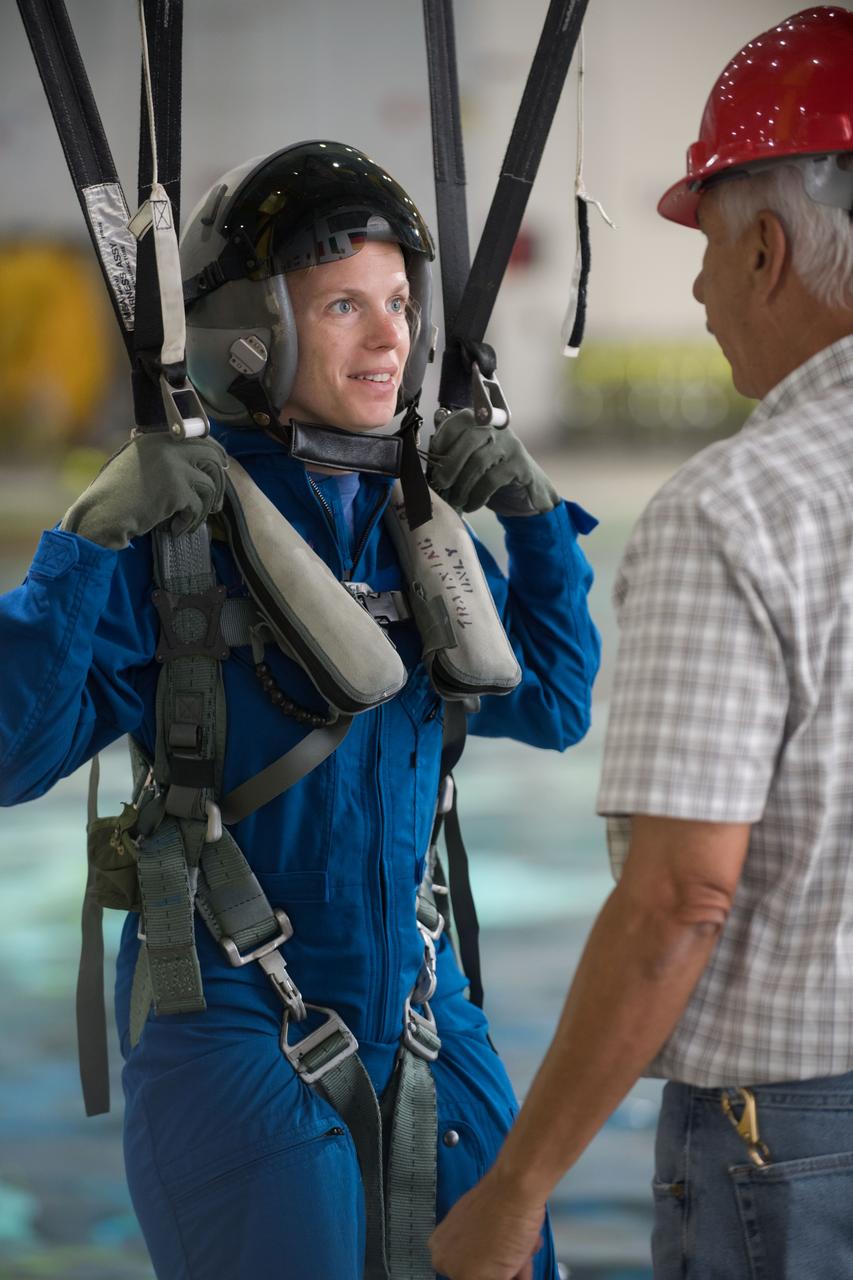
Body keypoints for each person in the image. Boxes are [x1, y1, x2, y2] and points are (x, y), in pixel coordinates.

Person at [0, 140, 600, 1279]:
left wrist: (530, 516)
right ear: (249, 329)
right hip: (231, 1012)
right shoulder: (172, 549)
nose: (389, 340)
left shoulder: (412, 532)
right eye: (341, 305)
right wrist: (81, 542)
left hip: (425, 1006)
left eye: (398, 304)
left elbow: (559, 703)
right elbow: (10, 751)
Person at [429, 8, 853, 1280]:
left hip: (795, 1143)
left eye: (710, 247)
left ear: (768, 249)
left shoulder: (738, 508)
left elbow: (680, 898)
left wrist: (518, 1188)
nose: (697, 285)